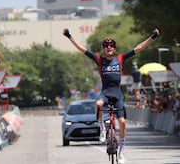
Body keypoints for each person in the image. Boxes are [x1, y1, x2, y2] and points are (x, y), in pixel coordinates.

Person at [63, 28, 160, 163]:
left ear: (114, 49)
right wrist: (69, 36)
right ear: (103, 49)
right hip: (105, 93)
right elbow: (82, 49)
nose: (109, 48)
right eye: (106, 46)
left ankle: (121, 151)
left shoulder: (120, 58)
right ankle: (102, 128)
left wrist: (152, 37)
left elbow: (138, 48)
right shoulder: (99, 60)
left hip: (118, 95)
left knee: (122, 122)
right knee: (98, 104)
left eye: (111, 46)